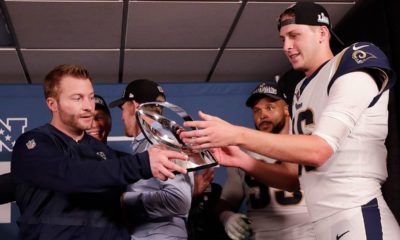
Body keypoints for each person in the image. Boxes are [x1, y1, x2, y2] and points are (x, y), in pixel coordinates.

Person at [180, 2, 400, 239]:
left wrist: (237, 134)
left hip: (356, 214)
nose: (287, 46)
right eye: (283, 39)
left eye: (294, 35)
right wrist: (243, 160)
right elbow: (295, 179)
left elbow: (320, 150)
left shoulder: (351, 61)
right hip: (322, 225)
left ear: (322, 33)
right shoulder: (300, 90)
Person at [11, 64, 187, 240]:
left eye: (91, 97)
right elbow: (72, 175)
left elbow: (139, 180)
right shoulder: (34, 143)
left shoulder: (106, 154)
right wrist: (144, 163)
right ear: (53, 104)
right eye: (77, 98)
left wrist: (193, 154)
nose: (89, 106)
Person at [216, 80, 314, 240]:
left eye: (270, 107)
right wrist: (227, 217)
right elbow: (226, 201)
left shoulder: (304, 143)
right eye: (256, 110)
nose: (262, 115)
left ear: (286, 109)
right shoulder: (241, 152)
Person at [109, 79, 194, 239]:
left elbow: (179, 200)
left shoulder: (163, 140)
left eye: (122, 108)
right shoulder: (150, 141)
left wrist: (123, 201)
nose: (121, 117)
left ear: (134, 106)